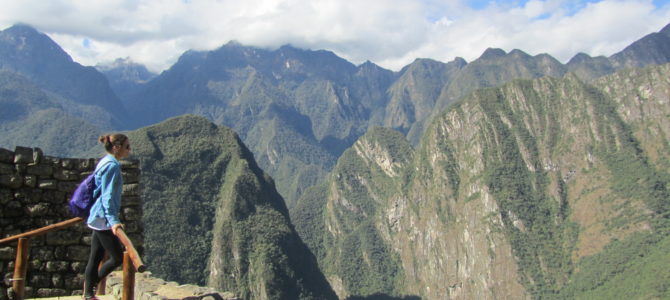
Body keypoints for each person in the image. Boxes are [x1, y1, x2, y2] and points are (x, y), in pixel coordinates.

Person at [83, 133, 131, 300]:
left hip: (96, 216)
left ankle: (88, 294)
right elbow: (108, 196)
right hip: (103, 218)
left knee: (95, 257)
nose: (129, 150)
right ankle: (91, 287)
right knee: (117, 257)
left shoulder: (105, 161)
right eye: (127, 147)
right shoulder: (112, 166)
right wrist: (114, 221)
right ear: (116, 147)